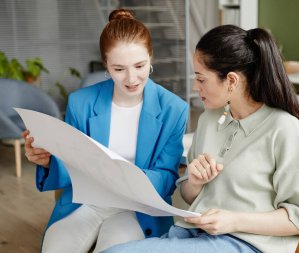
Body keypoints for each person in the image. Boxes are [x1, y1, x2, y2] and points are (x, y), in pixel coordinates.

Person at [102, 25, 299, 253]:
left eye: (201, 79)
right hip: (191, 234)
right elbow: (187, 195)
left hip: (246, 244)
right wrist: (195, 183)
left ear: (231, 81)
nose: (195, 86)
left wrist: (234, 221)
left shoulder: (285, 129)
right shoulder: (210, 120)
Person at [22, 8, 188, 253]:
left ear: (151, 58)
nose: (131, 78)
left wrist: (129, 178)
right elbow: (72, 161)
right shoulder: (81, 102)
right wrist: (48, 161)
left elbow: (166, 176)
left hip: (138, 208)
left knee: (113, 249)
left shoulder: (174, 109)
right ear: (106, 66)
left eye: (140, 65)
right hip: (87, 202)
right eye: (119, 69)